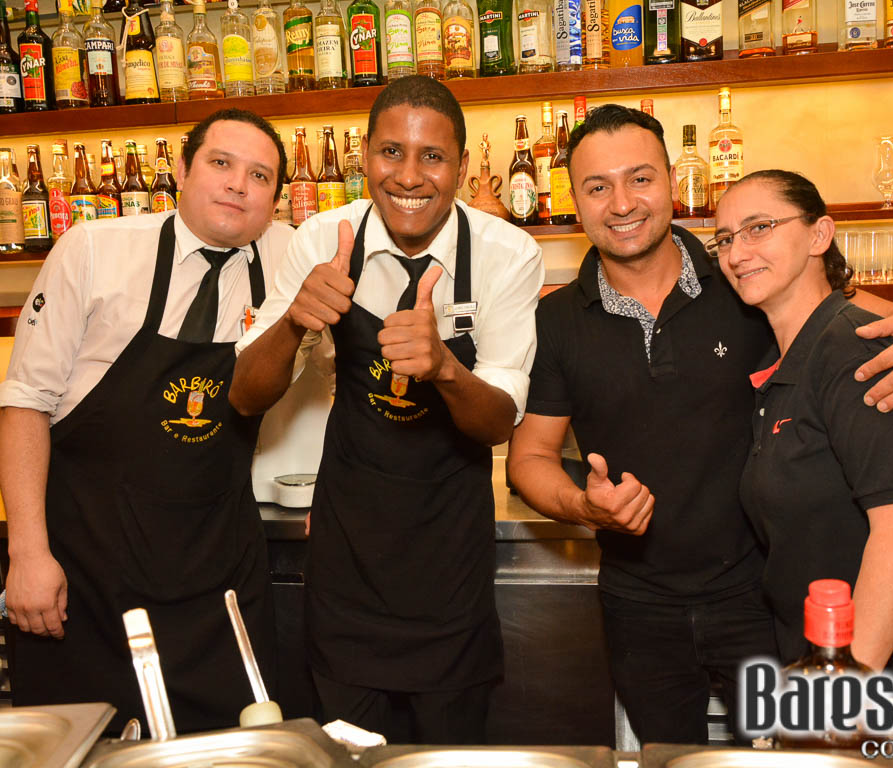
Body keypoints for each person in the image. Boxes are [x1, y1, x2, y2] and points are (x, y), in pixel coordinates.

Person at [506, 105, 893, 745]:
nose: (621, 203)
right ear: (575, 202)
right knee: (670, 759)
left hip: (761, 594)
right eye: (597, 186)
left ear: (672, 182)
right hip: (638, 603)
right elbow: (528, 460)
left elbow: (851, 317)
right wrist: (585, 504)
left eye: (640, 178)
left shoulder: (744, 278)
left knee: (791, 755)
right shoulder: (558, 320)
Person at [228, 75, 544, 744]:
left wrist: (445, 367)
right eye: (391, 152)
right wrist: (292, 325)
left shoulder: (506, 254)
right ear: (365, 157)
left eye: (433, 156)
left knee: (448, 754)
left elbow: (497, 423)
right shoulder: (321, 239)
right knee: (347, 753)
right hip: (348, 554)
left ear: (460, 165)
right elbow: (245, 395)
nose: (409, 175)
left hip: (449, 556)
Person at [0, 109, 292, 735]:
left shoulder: (292, 260)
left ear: (275, 198)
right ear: (182, 171)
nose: (239, 185)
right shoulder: (95, 249)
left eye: (260, 175)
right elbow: (25, 401)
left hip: (220, 586)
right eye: (221, 164)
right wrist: (27, 552)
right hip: (88, 575)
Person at [712, 169, 893, 748]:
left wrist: (835, 704)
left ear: (821, 235)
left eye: (759, 228)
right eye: (724, 238)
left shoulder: (858, 352)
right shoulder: (794, 362)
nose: (737, 251)